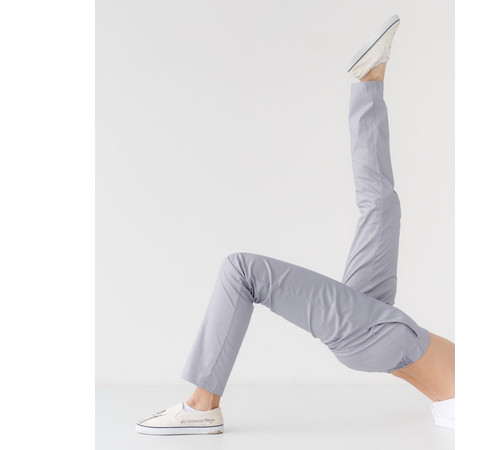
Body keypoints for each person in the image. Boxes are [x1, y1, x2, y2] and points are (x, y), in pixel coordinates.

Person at [135, 14, 455, 436]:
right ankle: (369, 82)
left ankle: (202, 404)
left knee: (242, 270)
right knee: (382, 206)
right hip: (384, 334)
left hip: (378, 337)